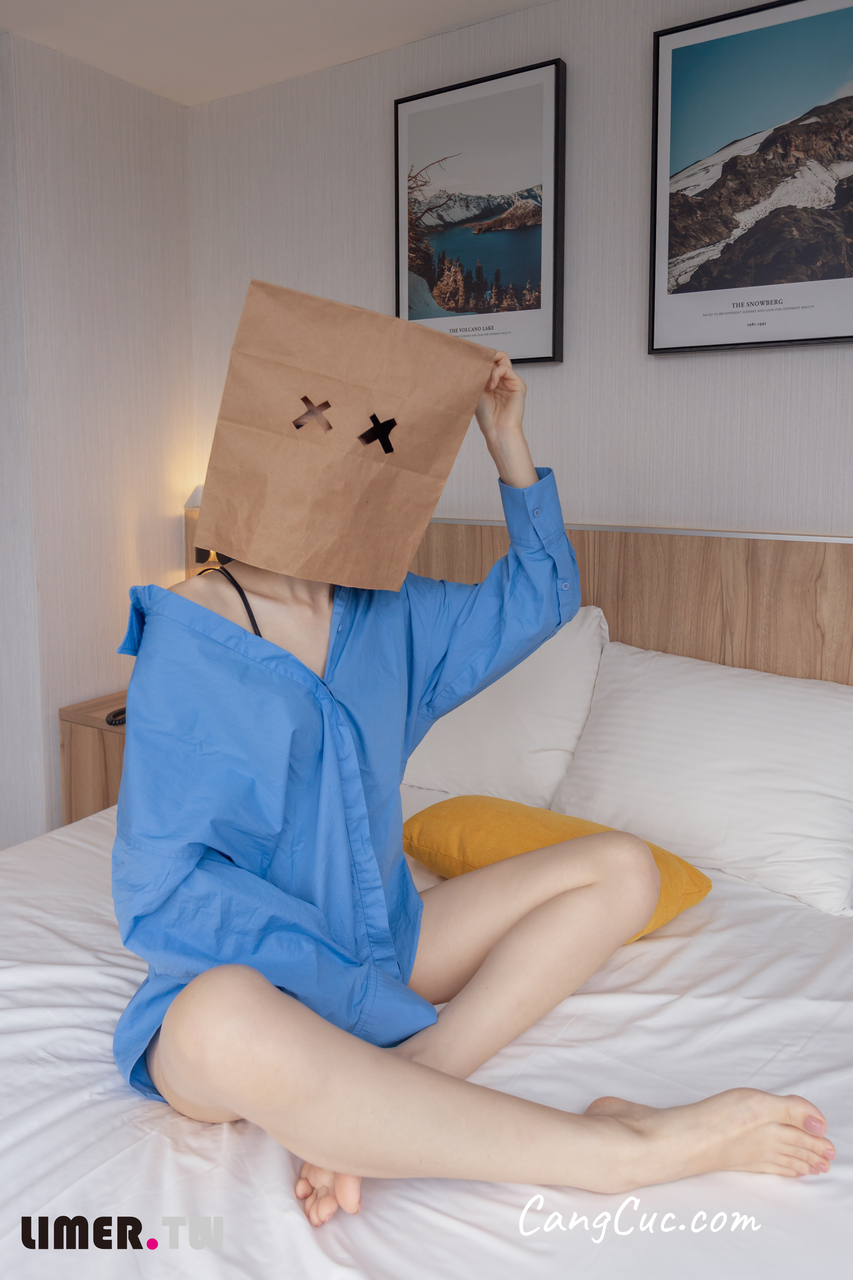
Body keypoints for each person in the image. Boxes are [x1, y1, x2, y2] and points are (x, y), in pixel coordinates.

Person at [111, 353, 834, 1229]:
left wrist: (505, 442)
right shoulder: (187, 634)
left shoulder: (388, 612)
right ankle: (621, 1152)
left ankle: (411, 1079)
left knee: (624, 867)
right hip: (254, 974)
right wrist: (339, 989)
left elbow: (539, 598)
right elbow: (163, 889)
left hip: (383, 943)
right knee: (218, 1017)